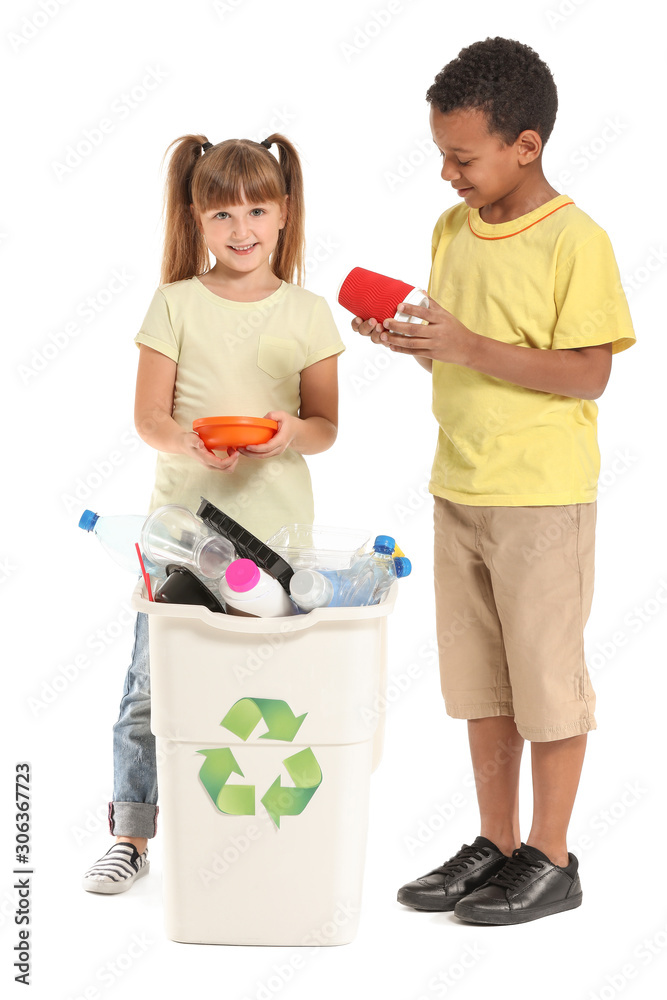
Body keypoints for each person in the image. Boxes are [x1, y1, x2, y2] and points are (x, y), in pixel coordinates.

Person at [354, 37, 635, 924]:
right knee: (481, 684)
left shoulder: (574, 240)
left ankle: (552, 857)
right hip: (459, 486)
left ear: (526, 145)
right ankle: (497, 841)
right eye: (440, 153)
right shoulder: (450, 231)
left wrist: (468, 346)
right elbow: (466, 361)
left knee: (546, 683)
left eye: (461, 156)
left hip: (540, 498)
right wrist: (419, 346)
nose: (445, 173)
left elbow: (588, 372)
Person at [83, 132, 345, 893]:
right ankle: (131, 838)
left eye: (256, 210)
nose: (241, 230)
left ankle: (261, 838)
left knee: (273, 691)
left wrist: (293, 432)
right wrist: (191, 447)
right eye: (221, 214)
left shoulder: (308, 312)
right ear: (197, 221)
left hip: (277, 536)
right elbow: (149, 419)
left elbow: (325, 427)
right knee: (152, 685)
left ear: (284, 212)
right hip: (183, 532)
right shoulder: (174, 303)